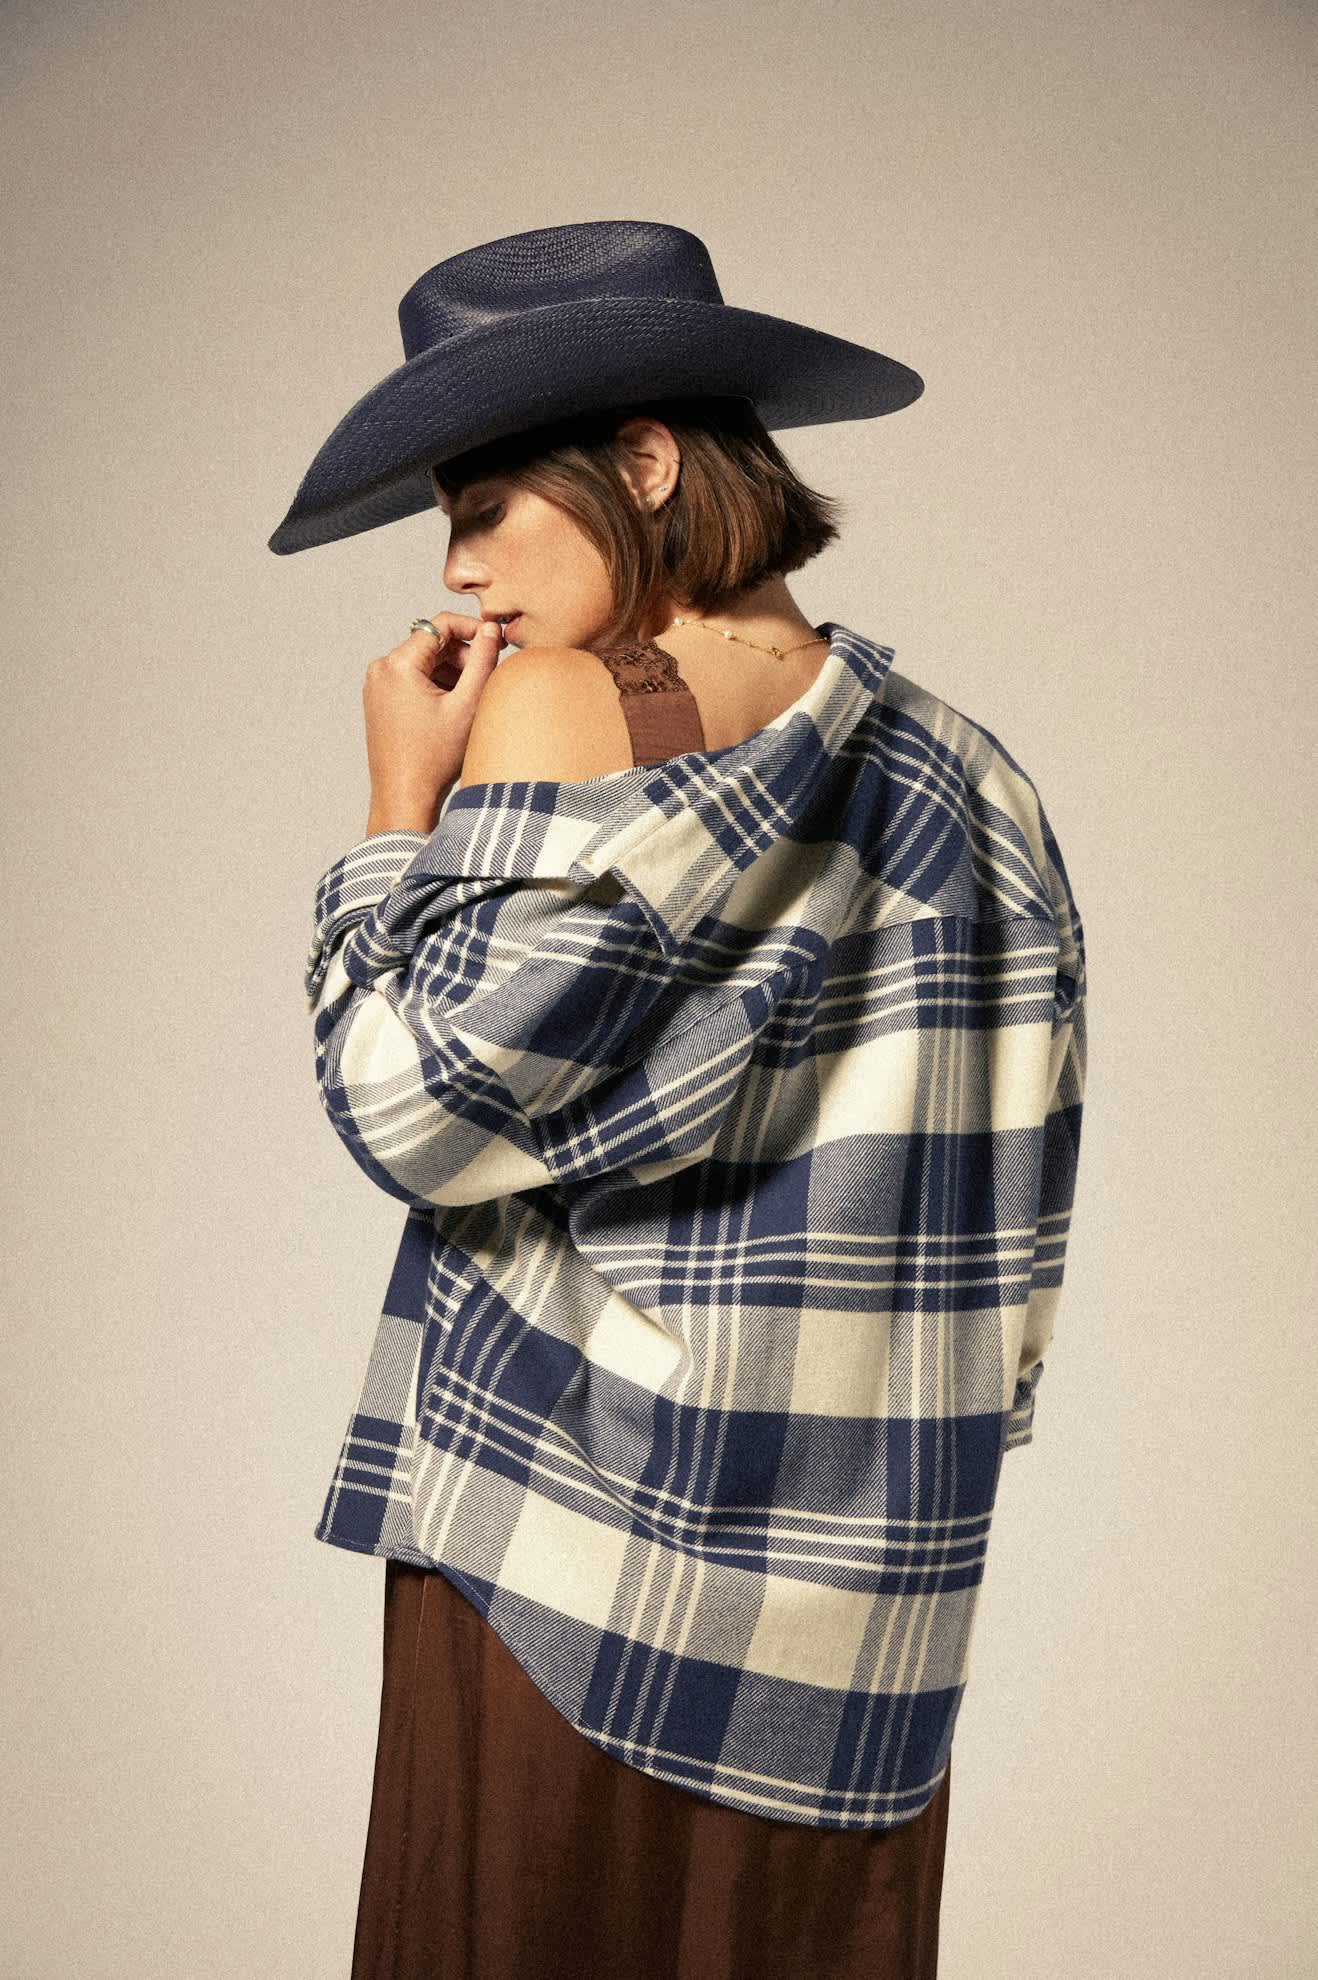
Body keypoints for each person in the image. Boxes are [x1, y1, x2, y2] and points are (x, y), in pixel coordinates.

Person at [270, 220, 1088, 1979]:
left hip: (564, 1565)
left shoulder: (565, 704)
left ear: (641, 461)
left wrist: (391, 822)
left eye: (485, 504)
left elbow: (412, 1117)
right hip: (863, 1612)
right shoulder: (979, 778)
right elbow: (1019, 1225)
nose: (457, 568)